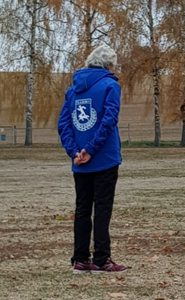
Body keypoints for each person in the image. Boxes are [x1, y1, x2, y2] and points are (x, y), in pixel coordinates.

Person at [58, 45, 126, 274]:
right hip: (104, 157)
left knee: (82, 209)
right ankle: (101, 259)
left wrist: (74, 151)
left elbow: (64, 124)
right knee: (103, 209)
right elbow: (108, 120)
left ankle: (79, 259)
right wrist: (91, 149)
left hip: (80, 161)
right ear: (108, 65)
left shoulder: (72, 90)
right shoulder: (110, 85)